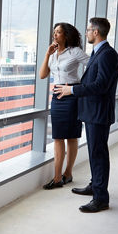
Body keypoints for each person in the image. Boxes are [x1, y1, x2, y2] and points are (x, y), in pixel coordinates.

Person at [56, 17, 118, 212]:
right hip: (93, 112)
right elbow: (92, 81)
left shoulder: (107, 54)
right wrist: (74, 87)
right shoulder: (98, 53)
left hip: (98, 113)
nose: (86, 33)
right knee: (95, 153)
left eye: (88, 30)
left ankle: (101, 198)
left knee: (98, 154)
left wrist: (72, 91)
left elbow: (101, 86)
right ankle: (95, 186)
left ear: (96, 32)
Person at [39, 22, 89, 190]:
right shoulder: (53, 54)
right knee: (58, 137)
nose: (55, 35)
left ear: (66, 35)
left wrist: (78, 87)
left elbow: (94, 65)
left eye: (58, 32)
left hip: (72, 97)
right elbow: (42, 75)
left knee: (72, 136)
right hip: (57, 98)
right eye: (54, 32)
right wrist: (47, 54)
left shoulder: (75, 52)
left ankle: (68, 173)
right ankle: (57, 177)